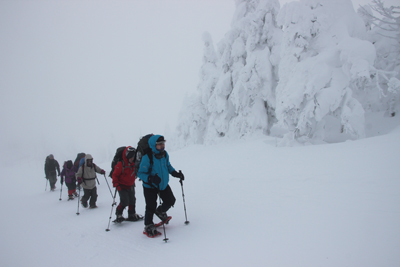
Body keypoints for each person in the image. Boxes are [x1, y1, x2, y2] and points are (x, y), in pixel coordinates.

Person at [137, 135, 185, 238]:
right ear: (154, 145)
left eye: (163, 143)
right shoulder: (148, 157)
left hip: (162, 184)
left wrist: (175, 173)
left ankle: (160, 211)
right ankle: (148, 225)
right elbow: (140, 173)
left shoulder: (164, 154)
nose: (162, 146)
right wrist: (150, 178)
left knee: (170, 200)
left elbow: (168, 166)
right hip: (150, 186)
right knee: (150, 206)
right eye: (159, 144)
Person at [112, 146, 143, 222]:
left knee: (132, 200)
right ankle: (118, 214)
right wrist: (116, 184)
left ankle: (131, 214)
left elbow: (136, 172)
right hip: (121, 186)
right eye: (131, 157)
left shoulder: (133, 164)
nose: (132, 159)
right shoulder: (121, 164)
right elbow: (115, 175)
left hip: (131, 185)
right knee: (125, 201)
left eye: (133, 157)